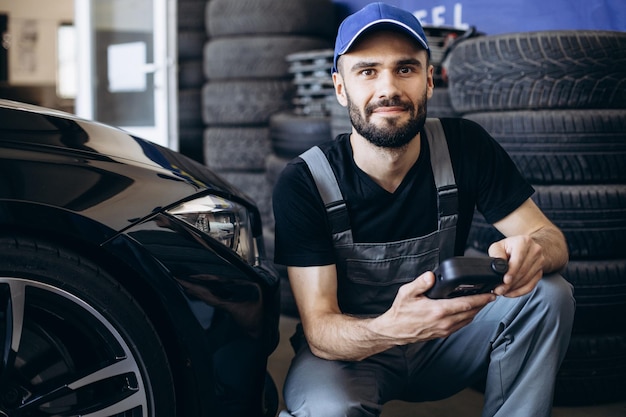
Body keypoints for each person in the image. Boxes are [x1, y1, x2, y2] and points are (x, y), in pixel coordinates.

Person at [272, 3, 575, 416]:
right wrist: (392, 327)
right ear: (340, 87)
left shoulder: (465, 146)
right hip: (353, 353)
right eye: (367, 71)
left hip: (446, 339)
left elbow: (552, 239)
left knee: (547, 293)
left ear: (429, 80)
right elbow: (322, 332)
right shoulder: (305, 181)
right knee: (325, 409)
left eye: (405, 69)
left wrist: (532, 252)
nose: (388, 89)